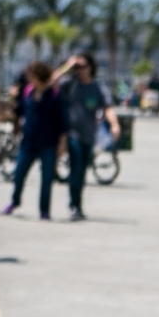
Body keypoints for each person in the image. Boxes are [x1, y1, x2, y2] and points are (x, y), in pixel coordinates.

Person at [59, 53, 119, 221]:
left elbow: (108, 107)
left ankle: (78, 204)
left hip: (89, 136)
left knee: (82, 171)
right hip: (72, 134)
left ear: (91, 67)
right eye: (77, 67)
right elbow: (50, 82)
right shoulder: (69, 84)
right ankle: (74, 205)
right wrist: (68, 66)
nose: (80, 70)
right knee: (76, 168)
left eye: (83, 66)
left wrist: (114, 124)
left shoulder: (97, 88)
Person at [3, 61, 66, 219]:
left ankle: (44, 210)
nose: (29, 78)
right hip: (28, 142)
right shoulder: (28, 92)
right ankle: (15, 201)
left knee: (47, 178)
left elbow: (62, 122)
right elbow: (18, 111)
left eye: (31, 75)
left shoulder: (54, 95)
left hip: (48, 143)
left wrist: (62, 144)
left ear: (38, 76)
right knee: (19, 173)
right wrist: (12, 99)